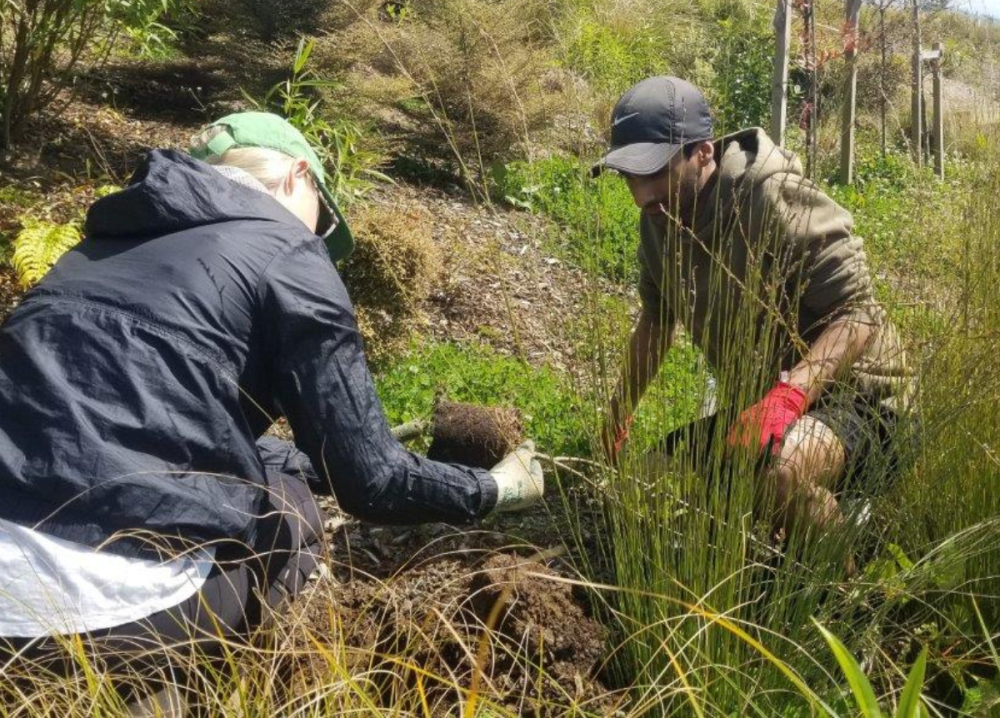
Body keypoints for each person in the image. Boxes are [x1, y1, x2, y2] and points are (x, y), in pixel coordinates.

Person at [0, 112, 543, 698]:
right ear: (297, 177)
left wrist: (313, 453)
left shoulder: (96, 250)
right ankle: (193, 689)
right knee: (293, 510)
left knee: (269, 465)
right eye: (322, 220)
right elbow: (373, 483)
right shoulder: (287, 249)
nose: (319, 239)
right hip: (104, 613)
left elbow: (139, 421)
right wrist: (492, 491)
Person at [597, 77, 911, 564]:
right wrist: (618, 415)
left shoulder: (770, 196)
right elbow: (656, 325)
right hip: (765, 409)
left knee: (777, 475)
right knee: (648, 478)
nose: (641, 195)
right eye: (628, 177)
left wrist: (788, 397)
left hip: (866, 398)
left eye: (653, 171)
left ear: (703, 152)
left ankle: (851, 597)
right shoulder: (658, 218)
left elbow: (858, 314)